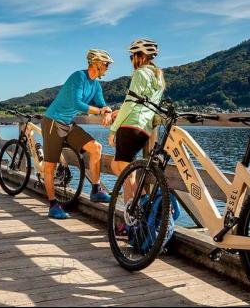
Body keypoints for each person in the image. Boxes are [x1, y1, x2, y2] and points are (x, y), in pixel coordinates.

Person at [41, 49, 115, 220]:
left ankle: (96, 189)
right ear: (96, 63)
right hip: (53, 121)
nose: (107, 67)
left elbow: (102, 103)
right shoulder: (78, 77)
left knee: (96, 147)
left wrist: (108, 111)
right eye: (106, 64)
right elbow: (77, 103)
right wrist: (100, 111)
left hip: (67, 124)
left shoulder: (96, 84)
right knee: (50, 166)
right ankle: (53, 205)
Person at [109, 39, 166, 203]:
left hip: (130, 126)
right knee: (125, 169)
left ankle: (143, 200)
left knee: (121, 169)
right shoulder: (159, 77)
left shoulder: (140, 73)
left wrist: (113, 129)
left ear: (140, 56)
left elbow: (129, 104)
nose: (131, 60)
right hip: (145, 129)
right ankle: (131, 211)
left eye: (132, 56)